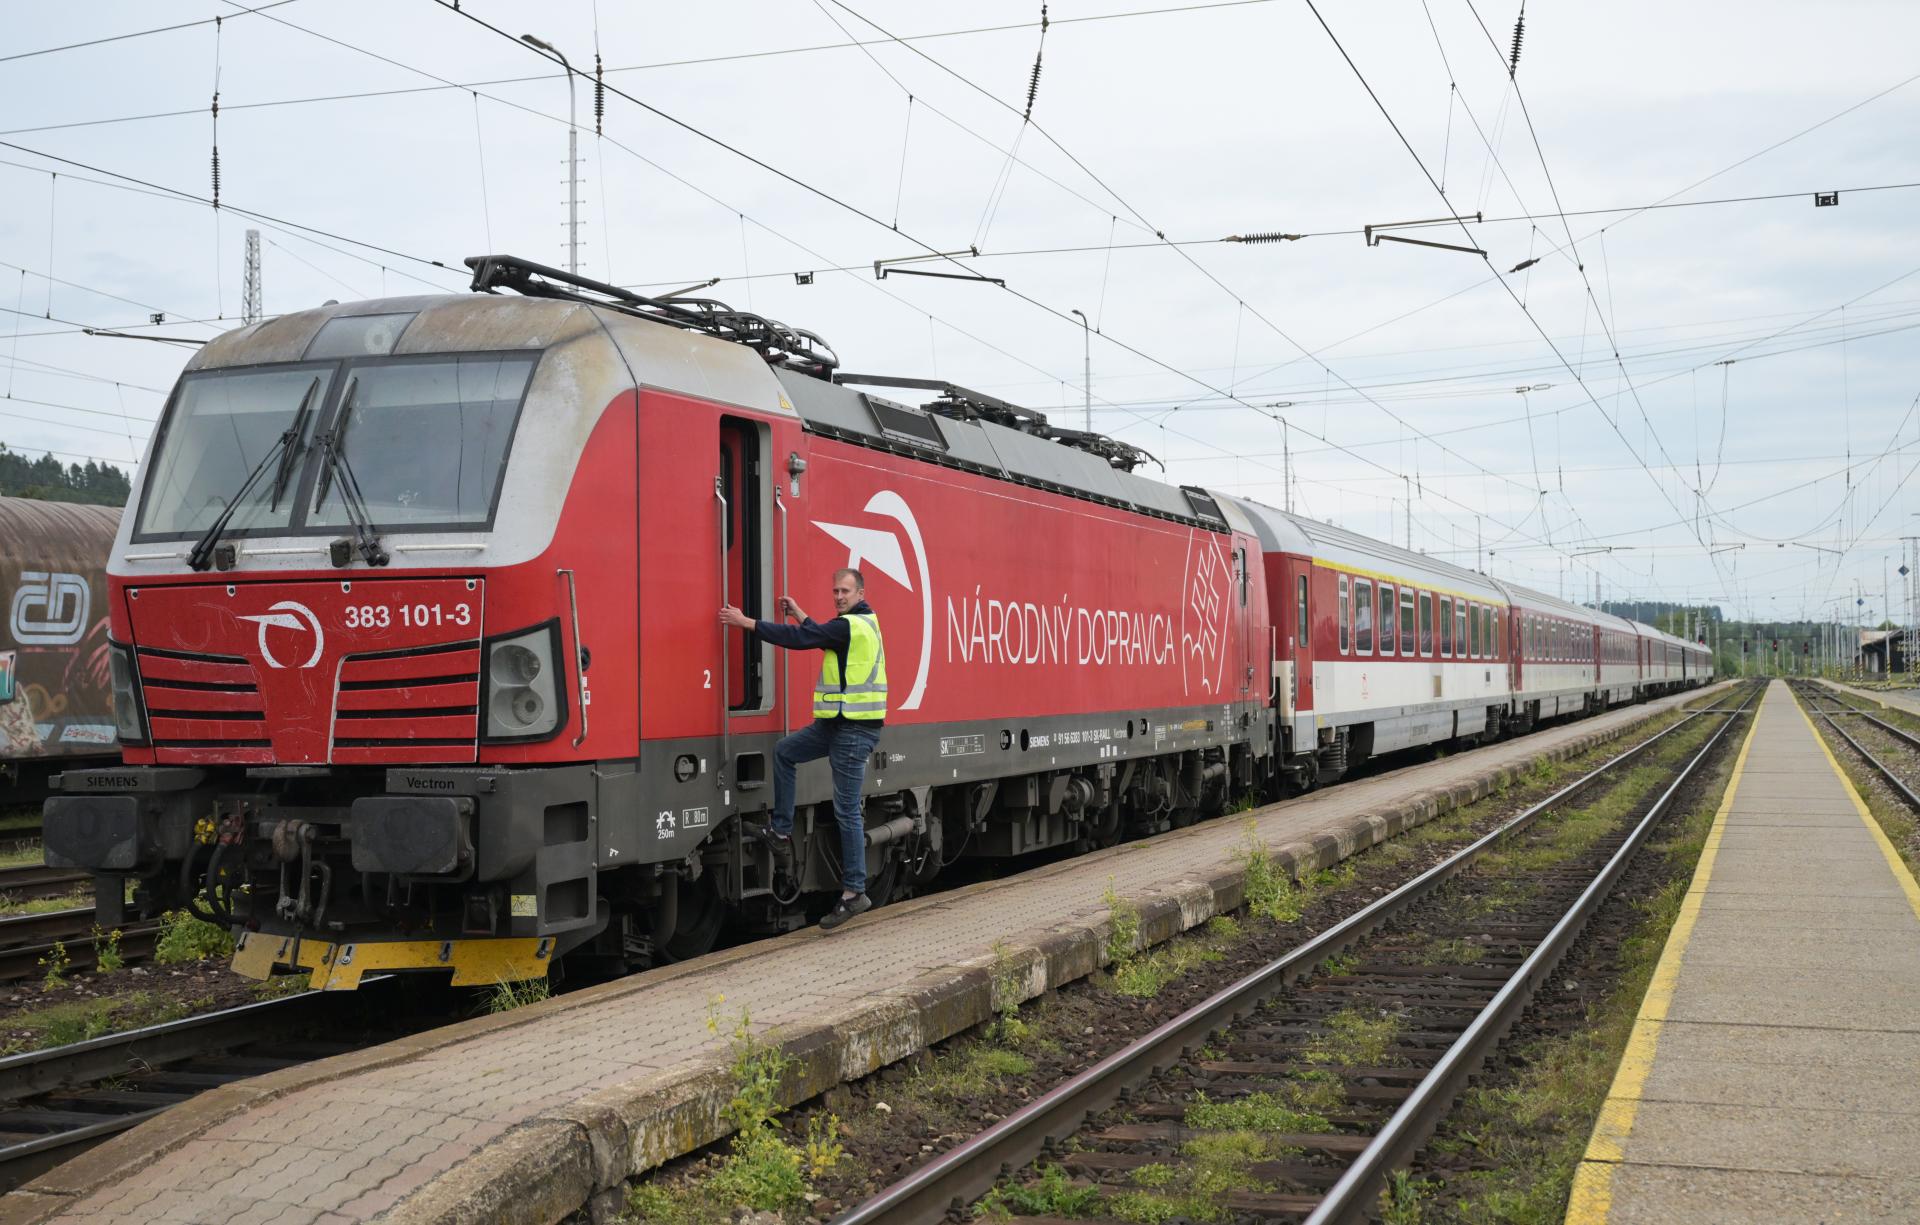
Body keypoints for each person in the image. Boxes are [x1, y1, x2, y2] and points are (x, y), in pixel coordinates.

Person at [719, 567, 886, 931]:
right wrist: (800, 613)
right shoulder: (854, 624)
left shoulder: (851, 626)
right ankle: (780, 831)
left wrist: (747, 622)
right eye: (835, 590)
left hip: (853, 731)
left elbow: (802, 640)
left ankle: (854, 892)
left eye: (844, 591)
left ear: (860, 593)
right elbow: (819, 633)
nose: (838, 596)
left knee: (846, 811)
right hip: (835, 725)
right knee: (785, 752)